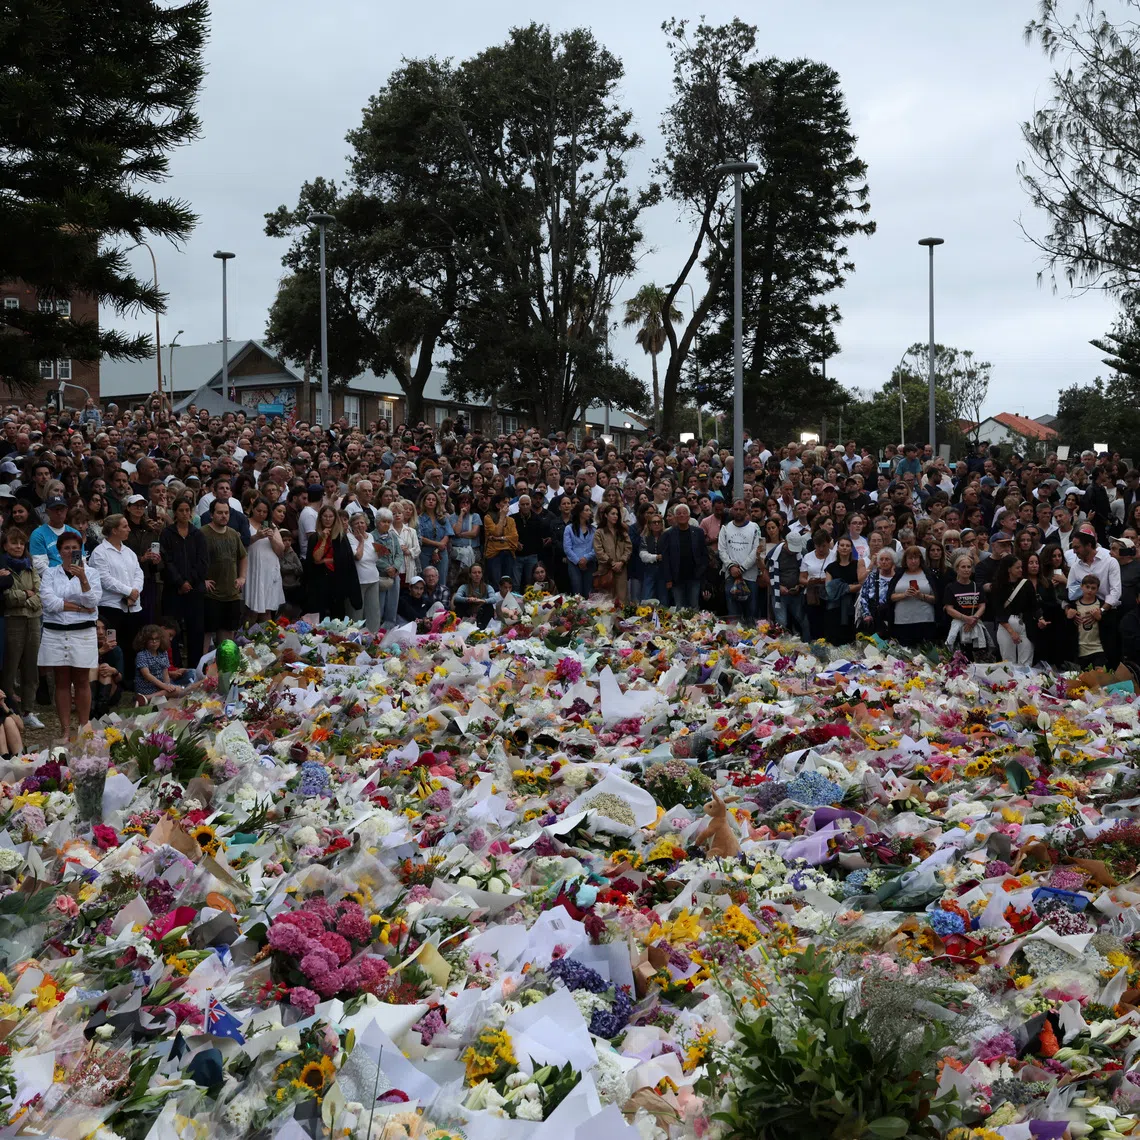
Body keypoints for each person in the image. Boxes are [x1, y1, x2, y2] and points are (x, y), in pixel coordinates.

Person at [38, 530, 101, 743]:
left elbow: (92, 603)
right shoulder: (49, 573)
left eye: (75, 548)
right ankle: (65, 731)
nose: (71, 551)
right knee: (61, 680)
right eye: (66, 548)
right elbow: (49, 603)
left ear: (80, 550)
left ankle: (84, 728)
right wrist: (79, 607)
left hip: (82, 633)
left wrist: (82, 578)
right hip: (55, 632)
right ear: (59, 551)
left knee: (82, 680)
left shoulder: (91, 573)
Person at [90, 513, 144, 688]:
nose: (128, 529)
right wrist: (128, 591)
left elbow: (138, 573)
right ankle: (111, 680)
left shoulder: (129, 552)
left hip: (132, 607)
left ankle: (128, 678)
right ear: (114, 530)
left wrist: (135, 592)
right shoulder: (100, 552)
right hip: (111, 607)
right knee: (112, 643)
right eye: (125, 526)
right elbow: (104, 579)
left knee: (131, 643)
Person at [0, 529, 42, 728]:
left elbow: (39, 592)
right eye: (13, 543)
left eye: (21, 543)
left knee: (30, 668)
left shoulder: (30, 565)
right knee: (10, 667)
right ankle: (9, 711)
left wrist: (25, 596)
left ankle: (28, 710)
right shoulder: (3, 566)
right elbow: (7, 597)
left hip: (33, 619)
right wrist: (27, 594)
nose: (18, 547)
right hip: (12, 620)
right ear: (5, 545)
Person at [160, 495, 208, 669]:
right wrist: (180, 582)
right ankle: (174, 666)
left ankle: (195, 667)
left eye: (188, 510)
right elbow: (166, 560)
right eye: (181, 510)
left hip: (194, 590)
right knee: (171, 630)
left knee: (195, 630)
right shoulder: (167, 534)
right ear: (175, 512)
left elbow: (202, 562)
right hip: (174, 590)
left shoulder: (198, 534)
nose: (185, 513)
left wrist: (189, 582)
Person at [203, 501, 247, 647]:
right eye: (220, 512)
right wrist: (202, 580)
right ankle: (201, 668)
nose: (223, 516)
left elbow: (243, 556)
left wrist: (242, 577)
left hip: (231, 593)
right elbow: (194, 559)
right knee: (207, 633)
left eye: (226, 513)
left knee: (228, 634)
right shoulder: (202, 533)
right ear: (211, 514)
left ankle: (224, 667)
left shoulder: (233, 533)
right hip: (211, 594)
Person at [305, 505, 361, 621]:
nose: (328, 519)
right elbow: (315, 559)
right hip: (319, 583)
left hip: (337, 583)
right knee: (320, 617)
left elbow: (347, 561)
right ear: (320, 518)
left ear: (335, 519)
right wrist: (324, 539)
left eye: (331, 516)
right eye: (325, 516)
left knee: (338, 618)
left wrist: (326, 561)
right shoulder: (315, 537)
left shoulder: (341, 537)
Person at [718, 498, 761, 622]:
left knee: (751, 611)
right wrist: (731, 566)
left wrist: (742, 568)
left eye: (741, 509)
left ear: (746, 511)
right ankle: (735, 638)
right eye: (736, 509)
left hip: (749, 576)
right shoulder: (725, 528)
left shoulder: (754, 527)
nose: (738, 512)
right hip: (731, 575)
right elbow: (722, 550)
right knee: (733, 613)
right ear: (732, 510)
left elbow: (756, 550)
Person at [242, 498, 285, 621]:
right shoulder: (245, 523)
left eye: (265, 512)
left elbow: (281, 550)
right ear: (253, 509)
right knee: (252, 609)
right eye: (258, 510)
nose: (261, 514)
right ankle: (247, 637)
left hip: (269, 568)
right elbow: (242, 544)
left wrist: (272, 538)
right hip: (253, 567)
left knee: (267, 608)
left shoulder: (271, 526)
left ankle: (266, 638)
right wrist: (257, 536)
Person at [943, 552, 992, 660]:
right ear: (957, 569)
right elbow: (949, 609)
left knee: (978, 658)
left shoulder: (977, 586)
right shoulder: (951, 587)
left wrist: (973, 620)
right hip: (959, 627)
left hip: (975, 625)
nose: (966, 569)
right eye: (963, 567)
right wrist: (966, 619)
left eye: (969, 567)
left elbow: (982, 605)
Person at [990, 554, 1036, 666]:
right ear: (1009, 569)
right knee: (1008, 661)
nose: (1021, 570)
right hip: (1006, 625)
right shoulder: (998, 586)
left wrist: (1040, 619)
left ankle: (1026, 682)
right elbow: (998, 611)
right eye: (1017, 567)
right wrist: (1011, 632)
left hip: (1024, 623)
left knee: (1026, 660)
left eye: (1021, 567)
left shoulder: (1026, 584)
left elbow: (1033, 606)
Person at [887, 545, 938, 646]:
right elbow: (890, 597)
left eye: (916, 558)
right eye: (910, 558)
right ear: (905, 560)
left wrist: (921, 596)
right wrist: (904, 594)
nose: (913, 561)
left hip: (925, 620)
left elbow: (937, 599)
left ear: (920, 559)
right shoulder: (898, 574)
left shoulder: (928, 574)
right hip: (902, 622)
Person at [661, 503, 707, 610]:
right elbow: (666, 558)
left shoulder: (698, 532)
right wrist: (668, 579)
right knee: (679, 607)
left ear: (689, 516)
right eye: (679, 514)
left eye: (684, 513)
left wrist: (701, 571)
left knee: (694, 606)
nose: (681, 515)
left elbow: (704, 554)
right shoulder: (668, 534)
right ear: (675, 517)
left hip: (694, 576)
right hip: (676, 578)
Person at [824, 535, 864, 644]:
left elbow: (862, 584)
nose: (844, 548)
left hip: (853, 608)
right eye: (842, 545)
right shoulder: (831, 567)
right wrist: (850, 587)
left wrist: (840, 587)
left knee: (852, 640)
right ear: (837, 548)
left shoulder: (857, 564)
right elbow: (830, 590)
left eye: (847, 545)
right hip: (835, 609)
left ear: (851, 549)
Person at [593, 503, 633, 604]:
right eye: (613, 514)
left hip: (621, 569)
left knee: (621, 599)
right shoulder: (599, 532)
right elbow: (599, 551)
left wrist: (621, 562)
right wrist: (611, 562)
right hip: (605, 570)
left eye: (617, 514)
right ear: (606, 515)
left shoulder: (622, 532)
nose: (615, 516)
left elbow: (628, 548)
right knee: (606, 600)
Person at [799, 530, 834, 641]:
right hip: (812, 596)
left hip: (830, 595)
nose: (821, 549)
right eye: (818, 546)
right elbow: (801, 578)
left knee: (829, 624)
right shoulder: (808, 557)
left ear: (829, 543)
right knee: (814, 624)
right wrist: (810, 582)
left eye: (824, 546)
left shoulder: (835, 556)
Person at [371, 507, 402, 630]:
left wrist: (395, 567)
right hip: (380, 576)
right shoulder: (371, 536)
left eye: (389, 522)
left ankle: (390, 629)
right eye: (384, 522)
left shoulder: (393, 536)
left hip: (394, 575)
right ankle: (377, 630)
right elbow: (372, 556)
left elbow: (399, 554)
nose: (386, 524)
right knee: (379, 605)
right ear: (377, 522)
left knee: (392, 604)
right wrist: (387, 567)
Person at [133, 623, 180, 702]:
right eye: (151, 639)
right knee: (177, 690)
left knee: (179, 690)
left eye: (157, 639)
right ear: (144, 640)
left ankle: (147, 698)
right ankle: (146, 697)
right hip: (147, 687)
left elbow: (165, 673)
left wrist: (167, 686)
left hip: (161, 686)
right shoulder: (141, 655)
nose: (154, 642)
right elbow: (147, 675)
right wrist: (165, 687)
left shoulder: (163, 652)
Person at [856, 549, 898, 638]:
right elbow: (864, 596)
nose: (884, 562)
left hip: (894, 617)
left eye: (887, 559)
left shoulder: (898, 578)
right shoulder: (872, 576)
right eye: (881, 559)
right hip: (874, 617)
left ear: (893, 562)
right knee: (874, 646)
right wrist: (866, 614)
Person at [1068, 574, 1107, 667]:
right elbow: (1068, 629)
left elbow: (1109, 628)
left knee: (1099, 678)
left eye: (1093, 588)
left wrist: (1100, 617)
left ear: (1097, 589)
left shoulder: (1101, 605)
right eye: (1087, 587)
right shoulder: (1074, 605)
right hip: (1080, 650)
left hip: (1098, 649)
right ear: (1081, 587)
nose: (1090, 590)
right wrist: (1069, 618)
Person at [417, 489, 453, 586]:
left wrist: (437, 549)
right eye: (428, 499)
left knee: (441, 579)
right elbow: (420, 537)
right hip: (425, 552)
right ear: (424, 502)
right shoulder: (419, 519)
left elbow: (448, 534)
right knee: (425, 580)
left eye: (433, 499)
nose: (431, 501)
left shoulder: (443, 518)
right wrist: (438, 544)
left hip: (441, 552)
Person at [483, 493, 519, 586]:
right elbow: (497, 532)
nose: (508, 505)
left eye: (508, 502)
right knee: (496, 584)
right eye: (505, 502)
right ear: (498, 505)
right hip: (494, 555)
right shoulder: (488, 517)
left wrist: (499, 539)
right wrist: (502, 516)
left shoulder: (511, 520)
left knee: (508, 583)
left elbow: (514, 537)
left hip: (508, 553)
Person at [91, 619, 124, 719]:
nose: (101, 632)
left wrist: (113, 671)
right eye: (97, 629)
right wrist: (100, 651)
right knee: (96, 666)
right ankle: (92, 708)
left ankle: (100, 709)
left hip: (110, 690)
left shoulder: (116, 649)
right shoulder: (87, 648)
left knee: (105, 668)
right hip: (88, 689)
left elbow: (120, 678)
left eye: (104, 629)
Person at [563, 501, 596, 597]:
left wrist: (586, 558)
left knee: (588, 592)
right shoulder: (569, 528)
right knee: (577, 592)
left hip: (589, 563)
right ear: (580, 512)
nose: (589, 512)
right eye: (587, 510)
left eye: (590, 510)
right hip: (574, 564)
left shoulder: (593, 529)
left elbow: (596, 548)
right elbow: (567, 548)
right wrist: (578, 561)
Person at [453, 563, 495, 627]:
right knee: (459, 604)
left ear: (482, 574)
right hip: (468, 611)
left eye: (479, 572)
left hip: (481, 611)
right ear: (470, 575)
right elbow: (456, 597)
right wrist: (468, 599)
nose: (477, 575)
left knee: (489, 606)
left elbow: (494, 599)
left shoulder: (487, 587)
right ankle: (460, 625)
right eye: (474, 573)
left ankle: (483, 626)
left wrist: (483, 601)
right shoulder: (464, 587)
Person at [638, 511, 666, 603]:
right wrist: (656, 557)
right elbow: (643, 555)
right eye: (654, 522)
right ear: (649, 525)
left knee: (663, 599)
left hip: (664, 570)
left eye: (659, 522)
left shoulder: (667, 536)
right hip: (649, 570)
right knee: (647, 598)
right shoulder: (645, 537)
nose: (657, 524)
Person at [278, 528, 305, 610]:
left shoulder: (292, 553)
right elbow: (282, 568)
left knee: (294, 609)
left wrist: (290, 566)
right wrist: (293, 566)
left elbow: (300, 568)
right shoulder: (278, 553)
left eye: (289, 540)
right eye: (284, 540)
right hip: (282, 586)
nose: (287, 543)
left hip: (294, 585)